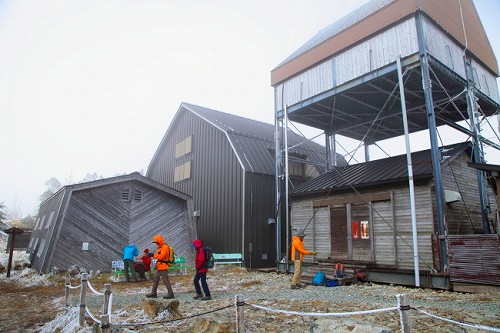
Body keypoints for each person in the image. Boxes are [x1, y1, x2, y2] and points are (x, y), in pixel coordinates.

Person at [146, 234, 175, 299]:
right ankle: (153, 293)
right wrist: (153, 255)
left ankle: (171, 294)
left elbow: (161, 257)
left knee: (165, 280)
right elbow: (158, 255)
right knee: (156, 279)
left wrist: (153, 255)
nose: (156, 243)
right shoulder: (160, 247)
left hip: (163, 266)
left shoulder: (165, 247)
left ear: (159, 241)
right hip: (159, 266)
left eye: (156, 242)